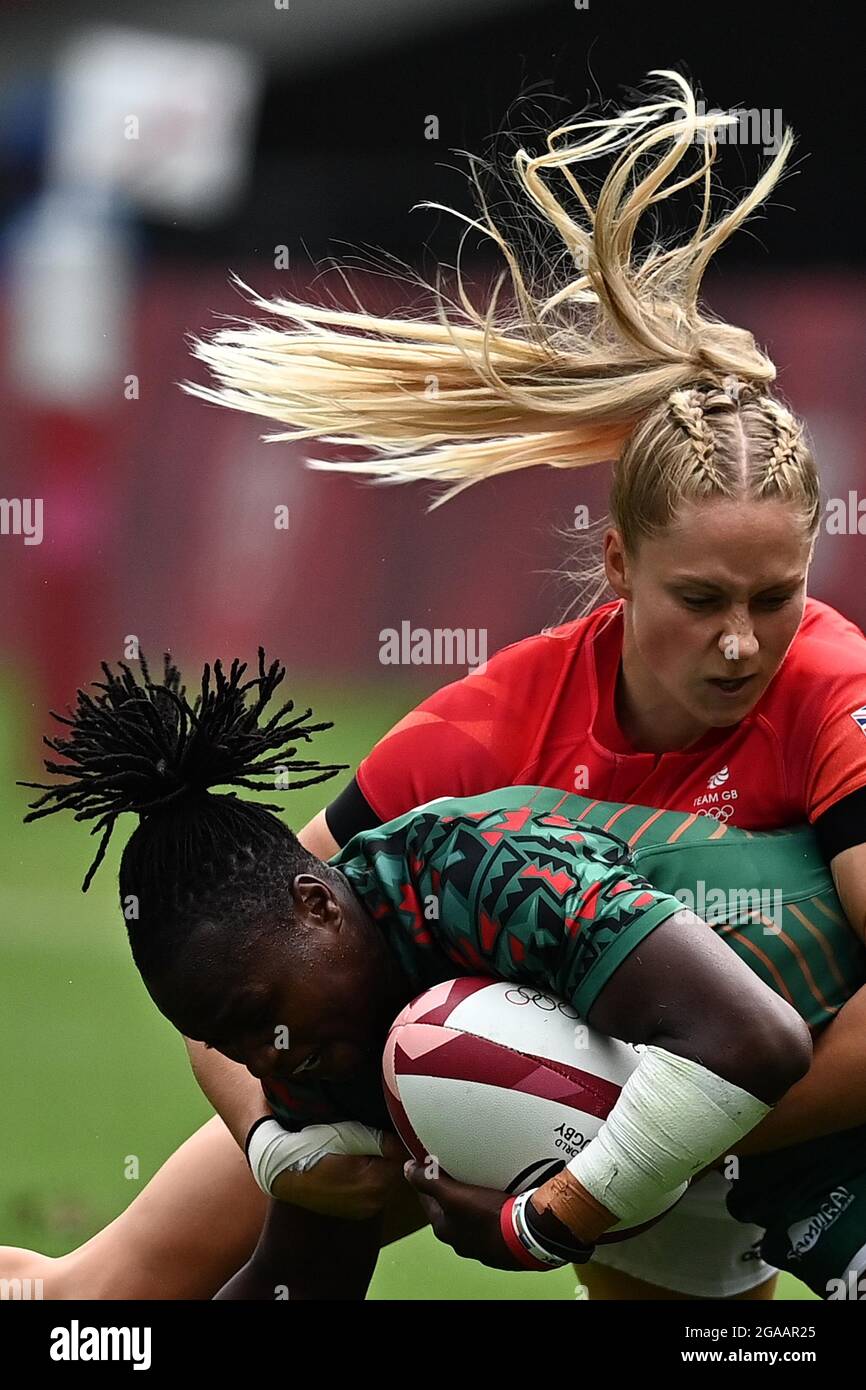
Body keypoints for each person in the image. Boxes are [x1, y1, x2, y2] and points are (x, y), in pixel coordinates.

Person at [6, 69, 866, 1302]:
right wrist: (289, 1142)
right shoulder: (495, 722)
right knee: (89, 1308)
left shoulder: (833, 693)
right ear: (617, 567)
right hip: (646, 1130)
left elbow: (768, 1048)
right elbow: (236, 957)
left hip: (741, 1116)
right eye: (698, 601)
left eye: (772, 597)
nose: (741, 642)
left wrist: (615, 1153)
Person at [13, 649, 817, 1295]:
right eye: (231, 1044)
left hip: (826, 1039)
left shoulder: (483, 872)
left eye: (257, 1017)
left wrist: (542, 1223)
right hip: (691, 1145)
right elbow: (303, 1277)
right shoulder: (309, 1038)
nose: (267, 1057)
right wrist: (271, 1149)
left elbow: (757, 1040)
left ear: (318, 906)